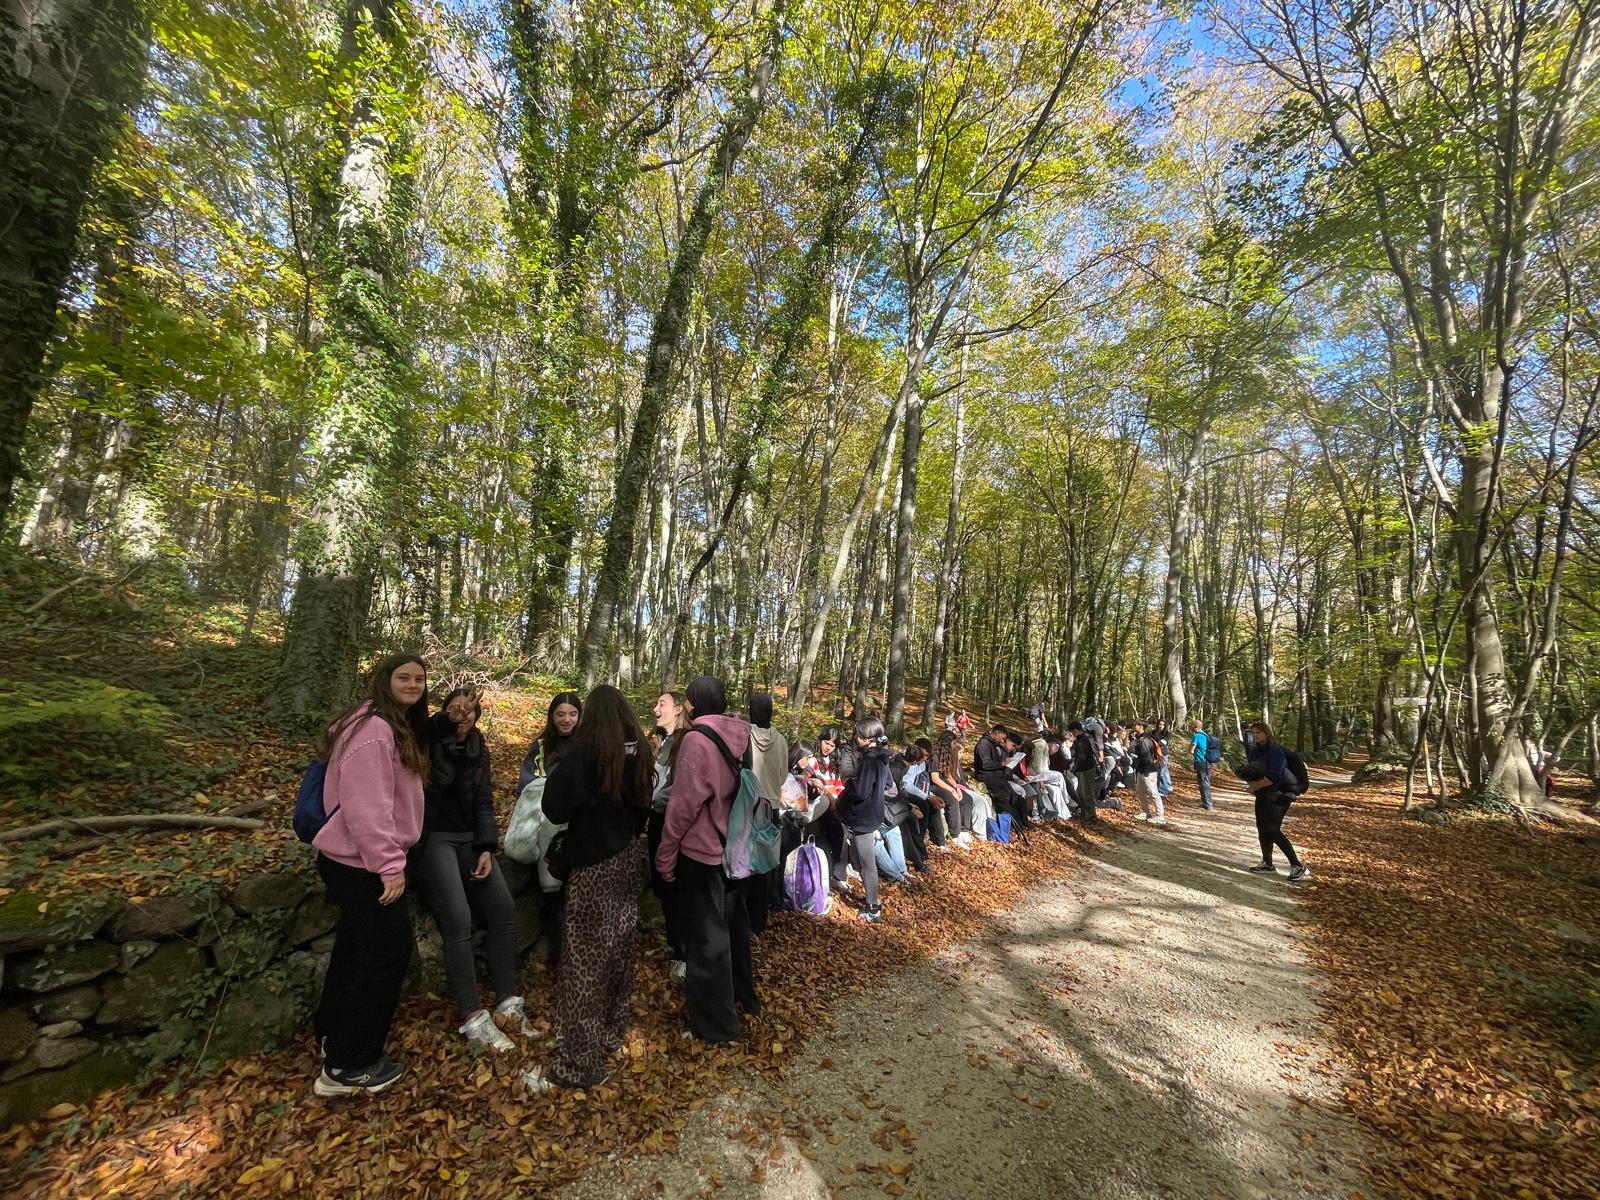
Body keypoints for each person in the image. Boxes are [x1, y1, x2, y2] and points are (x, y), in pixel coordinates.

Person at [311, 654, 430, 1097]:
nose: (414, 684)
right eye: (404, 677)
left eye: (419, 678)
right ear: (385, 680)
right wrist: (389, 866)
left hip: (357, 860)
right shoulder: (375, 730)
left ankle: (332, 1035)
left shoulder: (378, 722)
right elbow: (367, 806)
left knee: (356, 947)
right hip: (362, 863)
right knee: (387, 953)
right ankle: (350, 1065)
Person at [524, 684, 654, 1091]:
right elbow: (644, 807)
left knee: (583, 965)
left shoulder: (588, 751)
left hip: (595, 865)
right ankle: (610, 1035)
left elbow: (553, 806)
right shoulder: (640, 750)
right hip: (629, 858)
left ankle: (577, 1066)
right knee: (617, 954)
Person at [413, 687, 527, 1054]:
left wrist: (485, 847)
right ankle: (473, 1016)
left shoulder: (479, 749)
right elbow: (426, 732)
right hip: (432, 839)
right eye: (455, 711)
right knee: (458, 921)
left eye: (471, 713)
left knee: (503, 911)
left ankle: (508, 1002)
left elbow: (482, 802)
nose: (463, 718)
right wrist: (445, 721)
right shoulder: (426, 742)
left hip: (467, 840)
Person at [656, 675, 760, 1042]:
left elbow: (683, 807)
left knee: (705, 940)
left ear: (694, 705)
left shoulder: (697, 741)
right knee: (734, 928)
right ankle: (744, 997)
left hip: (703, 854)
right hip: (735, 849)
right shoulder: (741, 735)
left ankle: (715, 1025)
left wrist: (665, 856)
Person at [518, 691, 583, 965]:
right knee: (553, 895)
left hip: (579, 830)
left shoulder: (586, 745)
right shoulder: (542, 746)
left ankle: (573, 954)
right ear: (552, 716)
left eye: (572, 714)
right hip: (546, 828)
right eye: (561, 714)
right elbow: (525, 785)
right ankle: (559, 956)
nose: (566, 720)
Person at [832, 716, 891, 920]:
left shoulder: (869, 759)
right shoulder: (883, 756)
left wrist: (850, 783)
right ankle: (871, 900)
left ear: (867, 738)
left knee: (867, 864)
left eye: (858, 734)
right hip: (874, 812)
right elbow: (887, 785)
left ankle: (873, 907)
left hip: (863, 816)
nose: (856, 738)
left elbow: (860, 792)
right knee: (866, 861)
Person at [648, 691, 688, 979]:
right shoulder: (663, 742)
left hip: (672, 825)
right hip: (657, 820)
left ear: (677, 709)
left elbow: (683, 786)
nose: (654, 709)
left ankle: (684, 954)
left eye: (661, 704)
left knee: (674, 887)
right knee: (663, 888)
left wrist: (654, 802)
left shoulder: (686, 741)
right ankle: (674, 944)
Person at [1238, 723, 1309, 881]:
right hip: (1263, 794)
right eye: (1253, 732)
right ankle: (1267, 863)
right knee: (1262, 827)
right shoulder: (1255, 751)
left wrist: (1256, 786)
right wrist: (1253, 785)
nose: (1255, 735)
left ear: (1267, 733)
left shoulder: (1275, 750)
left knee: (1272, 829)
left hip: (1281, 794)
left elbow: (1275, 774)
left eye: (1259, 732)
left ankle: (1297, 865)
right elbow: (1251, 771)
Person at [746, 692, 789, 927]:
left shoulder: (744, 736)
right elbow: (782, 776)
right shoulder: (781, 740)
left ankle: (741, 916)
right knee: (764, 863)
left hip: (748, 805)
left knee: (743, 859)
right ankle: (759, 918)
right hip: (771, 806)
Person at [930, 726, 973, 848]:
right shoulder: (935, 756)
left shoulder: (946, 754)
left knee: (966, 798)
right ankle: (955, 835)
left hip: (943, 784)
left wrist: (956, 787)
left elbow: (948, 774)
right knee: (952, 800)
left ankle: (964, 830)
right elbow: (935, 778)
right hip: (932, 786)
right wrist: (951, 790)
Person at [1130, 719, 1167, 826]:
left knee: (1153, 792)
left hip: (1148, 771)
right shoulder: (1140, 738)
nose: (1133, 726)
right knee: (1140, 791)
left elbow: (1147, 757)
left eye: (1135, 725)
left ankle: (1160, 816)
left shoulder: (1144, 740)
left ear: (1140, 726)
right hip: (1142, 770)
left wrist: (1144, 769)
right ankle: (1145, 812)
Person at [1068, 721, 1100, 823]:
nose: (1072, 735)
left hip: (1087, 769)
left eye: (1072, 732)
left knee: (1087, 793)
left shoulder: (1082, 741)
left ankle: (1091, 817)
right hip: (1084, 768)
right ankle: (1085, 813)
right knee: (1082, 792)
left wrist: (1074, 768)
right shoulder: (1081, 739)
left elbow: (1081, 757)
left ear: (1076, 731)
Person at [1190, 718, 1215, 811]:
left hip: (1201, 761)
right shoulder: (1206, 735)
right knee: (1206, 781)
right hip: (1208, 761)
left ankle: (1207, 804)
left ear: (1195, 727)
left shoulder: (1196, 736)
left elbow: (1191, 750)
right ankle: (1207, 803)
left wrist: (1192, 748)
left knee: (1203, 782)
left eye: (1191, 725)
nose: (1190, 727)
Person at [1154, 718, 1174, 798]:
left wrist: (1156, 743)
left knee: (1162, 773)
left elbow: (1163, 743)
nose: (1161, 726)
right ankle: (1167, 787)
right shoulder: (1153, 733)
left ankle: (1163, 791)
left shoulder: (1167, 734)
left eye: (1163, 724)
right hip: (1155, 754)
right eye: (1160, 724)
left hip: (1163, 755)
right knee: (1163, 772)